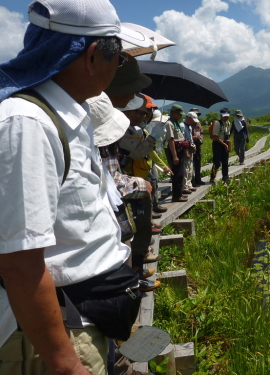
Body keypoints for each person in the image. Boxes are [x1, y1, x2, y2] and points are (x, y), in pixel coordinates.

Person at [0, 0, 150, 374]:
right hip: (63, 336)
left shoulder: (72, 114)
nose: (118, 69)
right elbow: (20, 261)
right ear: (94, 56)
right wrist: (66, 364)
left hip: (86, 322)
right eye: (119, 58)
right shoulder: (28, 124)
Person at [119, 94, 169, 268]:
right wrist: (153, 137)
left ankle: (140, 258)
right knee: (137, 225)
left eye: (145, 114)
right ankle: (137, 266)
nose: (141, 117)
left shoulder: (138, 129)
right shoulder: (121, 131)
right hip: (129, 185)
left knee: (144, 222)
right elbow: (137, 152)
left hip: (141, 180)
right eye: (138, 113)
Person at [164, 105, 188, 202]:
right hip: (175, 151)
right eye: (179, 114)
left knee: (181, 173)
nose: (181, 116)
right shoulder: (170, 123)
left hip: (180, 150)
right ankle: (176, 196)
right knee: (177, 174)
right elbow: (171, 140)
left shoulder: (177, 123)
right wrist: (174, 156)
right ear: (174, 114)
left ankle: (179, 193)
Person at [210, 108, 232, 183]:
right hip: (217, 144)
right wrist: (224, 144)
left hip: (225, 143)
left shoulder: (228, 123)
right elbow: (215, 137)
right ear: (221, 116)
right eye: (224, 116)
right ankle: (212, 177)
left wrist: (228, 145)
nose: (226, 117)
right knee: (217, 162)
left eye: (227, 116)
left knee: (225, 162)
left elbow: (227, 135)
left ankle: (225, 178)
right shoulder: (217, 124)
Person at [180, 112, 198, 195]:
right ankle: (185, 186)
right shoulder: (182, 126)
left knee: (190, 167)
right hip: (186, 149)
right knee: (186, 169)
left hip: (190, 148)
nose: (193, 122)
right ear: (188, 118)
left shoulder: (189, 126)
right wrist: (186, 151)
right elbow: (183, 140)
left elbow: (190, 138)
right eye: (192, 120)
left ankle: (189, 184)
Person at [190, 108, 205, 186]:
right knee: (191, 164)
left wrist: (200, 138)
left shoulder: (198, 123)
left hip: (198, 145)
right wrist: (193, 137)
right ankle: (191, 181)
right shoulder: (187, 124)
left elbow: (201, 132)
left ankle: (198, 179)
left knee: (198, 163)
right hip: (190, 147)